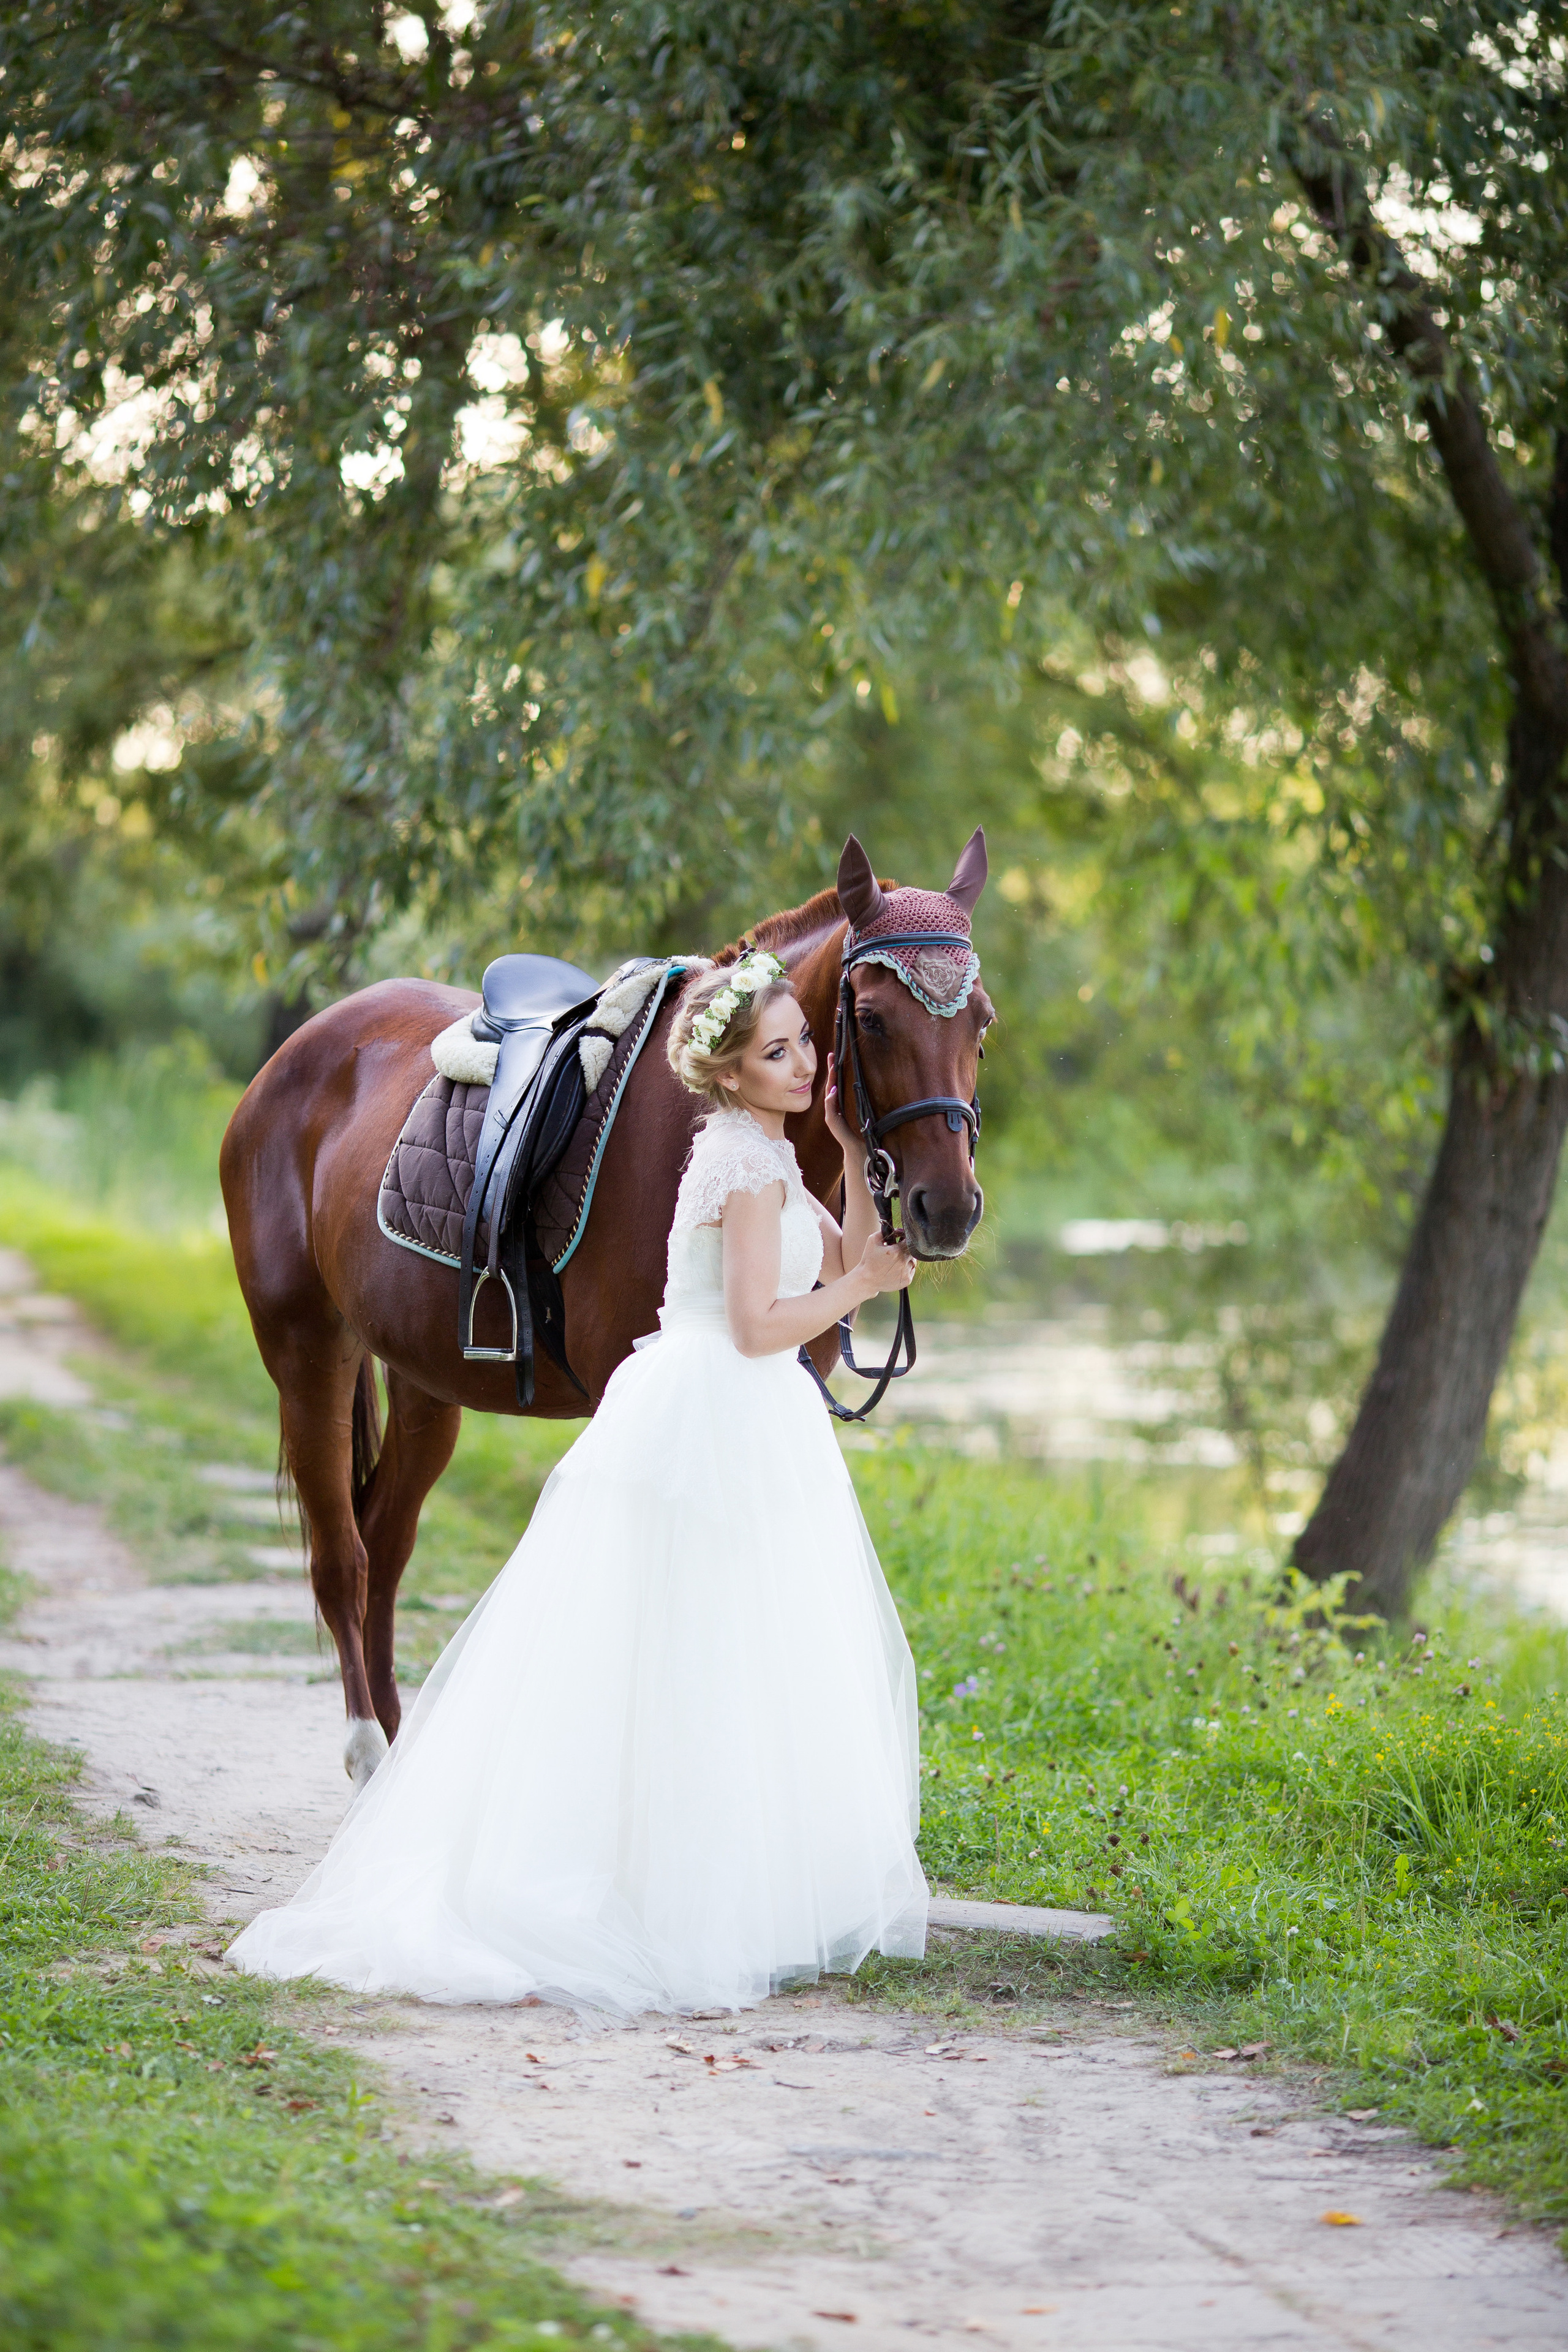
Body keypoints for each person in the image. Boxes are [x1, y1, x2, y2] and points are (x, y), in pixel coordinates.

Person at [228, 950, 927, 2014]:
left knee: (736, 1646)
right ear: (731, 1075)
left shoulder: (779, 1161)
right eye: (780, 1053)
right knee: (671, 1643)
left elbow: (846, 1259)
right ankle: (628, 1870)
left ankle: (718, 1863)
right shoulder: (737, 1167)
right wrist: (862, 1284)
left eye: (804, 1048)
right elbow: (760, 1326)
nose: (803, 1065)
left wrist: (844, 1149)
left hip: (749, 1422)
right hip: (710, 1396)